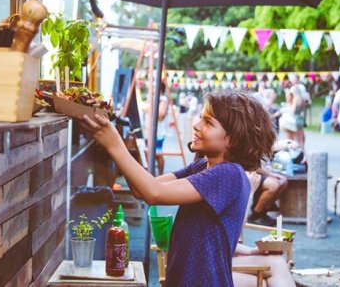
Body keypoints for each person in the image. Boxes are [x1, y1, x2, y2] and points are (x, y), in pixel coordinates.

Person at [80, 91, 276, 286]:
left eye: (208, 123)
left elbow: (154, 193)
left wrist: (114, 144)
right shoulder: (201, 166)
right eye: (201, 118)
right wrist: (116, 145)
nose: (197, 125)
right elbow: (144, 188)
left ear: (233, 139)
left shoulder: (229, 174)